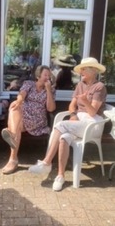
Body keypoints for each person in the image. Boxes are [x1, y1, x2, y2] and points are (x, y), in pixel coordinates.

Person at [29, 57, 107, 191]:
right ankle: (60, 176)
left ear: (93, 70)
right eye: (81, 68)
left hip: (93, 124)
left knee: (61, 125)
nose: (81, 71)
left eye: (84, 68)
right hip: (80, 121)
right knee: (64, 137)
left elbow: (93, 112)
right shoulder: (80, 85)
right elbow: (72, 105)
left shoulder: (99, 87)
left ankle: (47, 162)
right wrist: (73, 115)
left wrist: (85, 101)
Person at [1, 65, 56, 174]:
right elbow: (21, 94)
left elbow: (50, 108)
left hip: (37, 120)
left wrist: (49, 90)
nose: (48, 77)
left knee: (14, 121)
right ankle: (13, 150)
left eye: (49, 76)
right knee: (14, 105)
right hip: (23, 117)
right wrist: (19, 101)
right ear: (38, 75)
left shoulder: (50, 90)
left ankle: (13, 158)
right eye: (45, 75)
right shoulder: (29, 84)